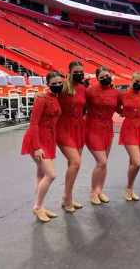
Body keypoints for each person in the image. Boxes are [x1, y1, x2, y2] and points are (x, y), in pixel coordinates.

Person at [21, 71, 62, 222]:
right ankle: (38, 207)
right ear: (48, 84)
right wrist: (37, 147)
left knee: (40, 175)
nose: (58, 85)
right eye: (54, 83)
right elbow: (34, 123)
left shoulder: (57, 98)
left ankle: (42, 207)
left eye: (60, 83)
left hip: (49, 139)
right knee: (50, 175)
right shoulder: (42, 99)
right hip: (37, 140)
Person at [85, 67, 121, 205]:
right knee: (102, 162)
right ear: (97, 78)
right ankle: (93, 191)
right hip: (92, 128)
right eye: (102, 76)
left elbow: (119, 106)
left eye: (107, 75)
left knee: (104, 162)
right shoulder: (90, 91)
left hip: (108, 128)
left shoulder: (116, 92)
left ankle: (100, 191)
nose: (105, 78)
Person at [56, 61, 87, 213]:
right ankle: (67, 199)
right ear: (69, 71)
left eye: (82, 71)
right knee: (75, 162)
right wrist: (38, 94)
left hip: (79, 127)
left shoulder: (83, 88)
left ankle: (67, 196)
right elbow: (48, 95)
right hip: (64, 128)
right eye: (76, 72)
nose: (80, 74)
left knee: (72, 165)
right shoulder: (61, 87)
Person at [119, 71, 140, 201]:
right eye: (137, 81)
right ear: (132, 80)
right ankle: (128, 188)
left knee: (133, 162)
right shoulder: (123, 94)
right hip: (129, 128)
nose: (139, 84)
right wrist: (122, 112)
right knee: (137, 163)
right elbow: (114, 106)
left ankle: (130, 188)